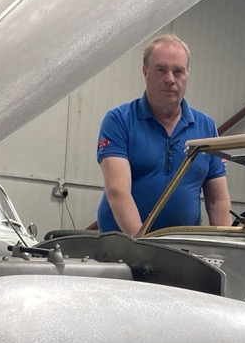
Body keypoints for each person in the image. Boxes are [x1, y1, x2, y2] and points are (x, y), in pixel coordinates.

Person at [95, 35, 232, 234]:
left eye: (178, 71)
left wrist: (225, 248)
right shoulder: (119, 120)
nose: (170, 79)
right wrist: (144, 248)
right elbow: (118, 192)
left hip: (183, 249)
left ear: (187, 75)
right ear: (145, 72)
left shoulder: (206, 127)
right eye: (161, 70)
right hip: (124, 249)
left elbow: (218, 199)